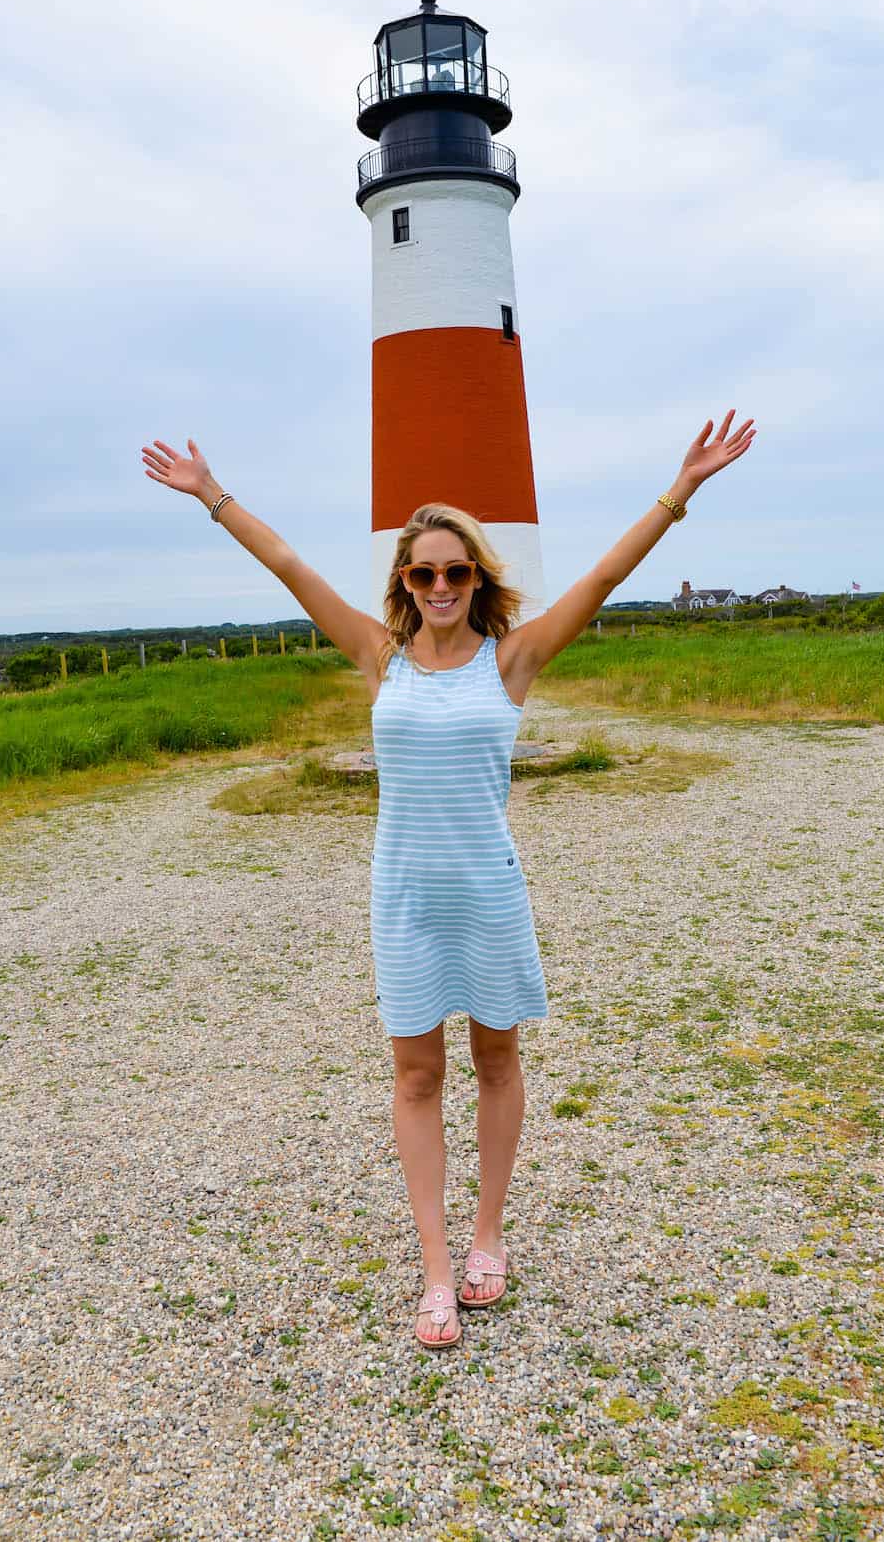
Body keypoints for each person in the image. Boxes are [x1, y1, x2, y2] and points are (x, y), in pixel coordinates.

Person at [141, 411, 756, 1349]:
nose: (438, 586)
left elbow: (602, 577)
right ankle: (434, 1269)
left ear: (478, 580)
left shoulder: (511, 661)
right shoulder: (378, 660)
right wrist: (212, 495)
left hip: (488, 894)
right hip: (405, 899)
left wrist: (683, 490)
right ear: (403, 582)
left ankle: (487, 1239)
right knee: (416, 1075)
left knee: (497, 1061)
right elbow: (291, 568)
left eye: (455, 571)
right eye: (422, 572)